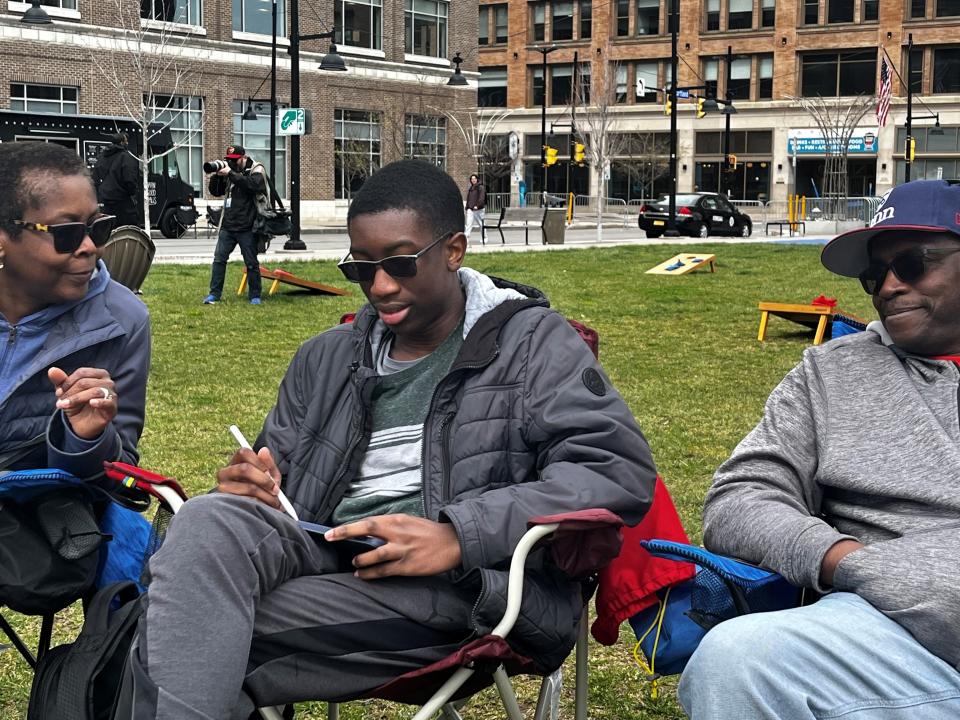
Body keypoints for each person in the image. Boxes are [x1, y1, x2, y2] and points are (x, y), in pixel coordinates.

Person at [127, 159, 656, 718]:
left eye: (400, 263)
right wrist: (258, 483)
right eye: (362, 267)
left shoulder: (533, 346)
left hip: (462, 589)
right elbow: (277, 471)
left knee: (185, 632)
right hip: (324, 551)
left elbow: (615, 471)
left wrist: (457, 535)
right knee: (206, 521)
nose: (379, 286)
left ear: (454, 250)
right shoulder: (327, 354)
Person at [679, 179, 960, 719]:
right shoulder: (832, 372)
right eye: (874, 275)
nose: (889, 288)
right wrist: (845, 562)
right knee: (737, 660)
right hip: (890, 641)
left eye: (913, 263)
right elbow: (740, 501)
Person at [0, 141, 150, 476]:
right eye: (66, 233)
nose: (90, 248)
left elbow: (120, 476)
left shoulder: (123, 319)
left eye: (97, 228)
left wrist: (88, 437)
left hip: (36, 519)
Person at [202, 144, 266, 306]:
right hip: (228, 225)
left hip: (247, 226)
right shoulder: (229, 172)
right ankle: (214, 294)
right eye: (229, 160)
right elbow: (216, 191)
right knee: (219, 260)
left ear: (243, 158)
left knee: (251, 263)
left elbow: (254, 185)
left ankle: (255, 295)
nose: (231, 163)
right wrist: (218, 175)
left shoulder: (256, 169)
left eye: (235, 160)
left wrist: (231, 173)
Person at [92, 133, 144, 229]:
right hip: (123, 205)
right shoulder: (126, 157)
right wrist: (133, 193)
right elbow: (130, 180)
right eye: (126, 141)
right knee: (128, 233)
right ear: (122, 143)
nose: (127, 143)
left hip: (105, 204)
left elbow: (95, 178)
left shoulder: (101, 157)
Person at [463, 172, 485, 242]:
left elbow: (481, 197)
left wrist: (477, 205)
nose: (473, 180)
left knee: (481, 224)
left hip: (478, 209)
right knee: (469, 224)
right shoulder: (471, 188)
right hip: (471, 209)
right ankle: (466, 237)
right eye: (472, 179)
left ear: (477, 179)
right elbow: (469, 198)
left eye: (474, 179)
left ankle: (484, 237)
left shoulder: (480, 187)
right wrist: (467, 207)